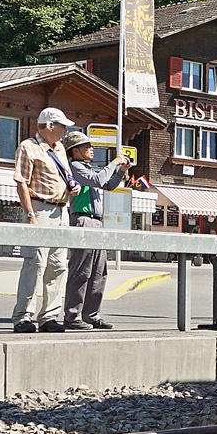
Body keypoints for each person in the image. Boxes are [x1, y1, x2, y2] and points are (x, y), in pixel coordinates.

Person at [11, 108, 82, 333]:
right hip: (40, 209)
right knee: (35, 264)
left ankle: (49, 316)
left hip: (61, 210)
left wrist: (73, 186)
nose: (65, 131)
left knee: (58, 266)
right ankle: (23, 316)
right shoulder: (27, 147)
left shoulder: (59, 148)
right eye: (62, 126)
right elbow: (21, 182)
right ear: (50, 125)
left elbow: (65, 175)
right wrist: (30, 214)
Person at [62, 131, 132, 330]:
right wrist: (114, 163)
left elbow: (108, 185)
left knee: (99, 272)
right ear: (75, 151)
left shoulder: (86, 167)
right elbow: (99, 181)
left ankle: (91, 314)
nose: (91, 150)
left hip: (96, 222)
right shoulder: (74, 167)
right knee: (81, 270)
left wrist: (120, 171)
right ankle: (72, 316)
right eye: (86, 147)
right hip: (83, 220)